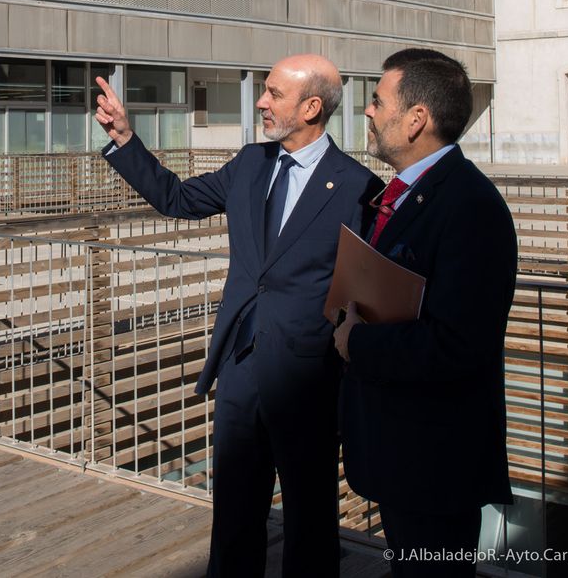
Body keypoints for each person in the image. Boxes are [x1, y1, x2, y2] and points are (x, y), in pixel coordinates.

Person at [94, 55, 382, 578]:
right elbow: (176, 199)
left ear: (312, 106)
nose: (262, 102)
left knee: (309, 522)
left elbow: (369, 290)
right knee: (234, 517)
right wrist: (125, 139)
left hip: (309, 376)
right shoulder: (251, 163)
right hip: (241, 366)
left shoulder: (360, 187)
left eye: (273, 93)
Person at [333, 49, 516, 577]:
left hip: (437, 461)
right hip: (399, 452)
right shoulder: (401, 195)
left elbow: (458, 344)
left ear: (416, 119)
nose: (367, 112)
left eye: (377, 100)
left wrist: (355, 342)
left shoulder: (470, 206)